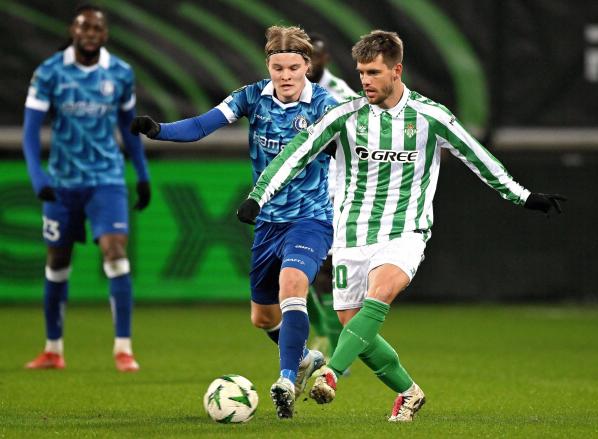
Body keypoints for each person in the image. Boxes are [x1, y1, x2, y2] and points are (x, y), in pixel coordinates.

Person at [236, 30, 566, 422]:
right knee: (353, 325)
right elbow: (294, 155)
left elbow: (478, 157)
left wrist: (523, 196)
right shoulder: (345, 116)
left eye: (374, 72)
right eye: (361, 73)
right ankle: (409, 393)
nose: (365, 81)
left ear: (397, 70)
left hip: (406, 231)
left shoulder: (430, 116)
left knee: (379, 295)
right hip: (352, 235)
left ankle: (330, 375)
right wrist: (259, 196)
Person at [130, 26, 337, 419]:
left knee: (292, 284)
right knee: (262, 318)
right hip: (267, 223)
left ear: (307, 67)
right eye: (279, 67)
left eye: (294, 67)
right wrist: (160, 131)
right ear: (269, 67)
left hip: (310, 218)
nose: (286, 76)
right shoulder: (251, 96)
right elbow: (203, 124)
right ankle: (307, 358)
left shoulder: (325, 106)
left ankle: (287, 379)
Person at [23, 5, 151, 373]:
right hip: (62, 182)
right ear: (73, 31)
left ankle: (123, 349)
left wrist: (141, 174)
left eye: (97, 27)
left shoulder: (121, 73)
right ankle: (52, 348)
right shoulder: (49, 72)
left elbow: (130, 128)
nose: (91, 33)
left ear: (105, 34)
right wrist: (38, 178)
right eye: (84, 27)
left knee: (115, 252)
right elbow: (31, 132)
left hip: (106, 179)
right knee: (58, 262)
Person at [306, 32, 359, 358]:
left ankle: (333, 339)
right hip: (300, 190)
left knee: (325, 268)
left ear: (325, 59)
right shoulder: (289, 89)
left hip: (333, 191)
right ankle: (324, 332)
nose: (309, 62)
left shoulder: (339, 94)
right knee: (291, 268)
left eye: (315, 56)